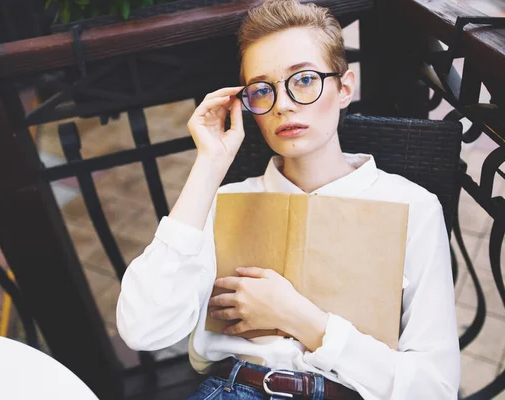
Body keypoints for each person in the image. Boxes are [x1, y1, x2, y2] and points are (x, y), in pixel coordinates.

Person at [116, 0, 460, 398]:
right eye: (262, 90)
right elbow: (142, 329)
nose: (283, 104)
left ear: (344, 88)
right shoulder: (224, 200)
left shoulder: (411, 206)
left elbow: (435, 389)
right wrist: (209, 166)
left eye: (304, 80)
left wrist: (299, 318)